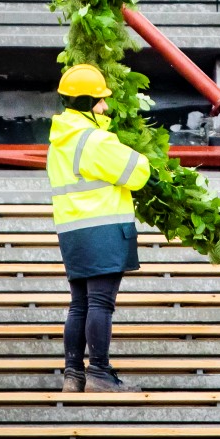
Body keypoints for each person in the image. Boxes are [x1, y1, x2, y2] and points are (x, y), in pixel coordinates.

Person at [47, 64, 150, 393]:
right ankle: (100, 374)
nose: (105, 107)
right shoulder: (94, 140)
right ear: (85, 102)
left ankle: (73, 374)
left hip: (73, 231)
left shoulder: (59, 141)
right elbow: (139, 172)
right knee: (100, 303)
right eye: (100, 101)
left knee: (80, 303)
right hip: (102, 230)